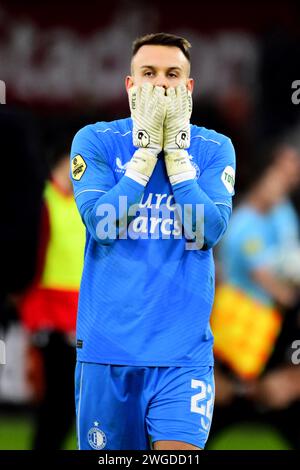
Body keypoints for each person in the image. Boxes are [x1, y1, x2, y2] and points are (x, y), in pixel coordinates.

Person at [71, 32, 236, 451]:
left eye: (172, 75)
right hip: (109, 352)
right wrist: (145, 153)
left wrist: (178, 155)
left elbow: (208, 231)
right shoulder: (96, 141)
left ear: (189, 87)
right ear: (130, 85)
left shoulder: (214, 148)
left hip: (183, 355)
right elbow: (101, 224)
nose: (161, 85)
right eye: (148, 74)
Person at [209, 142, 300, 449]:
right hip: (239, 323)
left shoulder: (285, 215)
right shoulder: (243, 225)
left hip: (272, 329)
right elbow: (277, 288)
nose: (286, 180)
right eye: (280, 173)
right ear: (263, 175)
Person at [19, 146, 85, 449]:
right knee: (55, 403)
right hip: (47, 313)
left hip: (77, 313)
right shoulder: (40, 199)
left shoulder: (82, 204)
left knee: (68, 405)